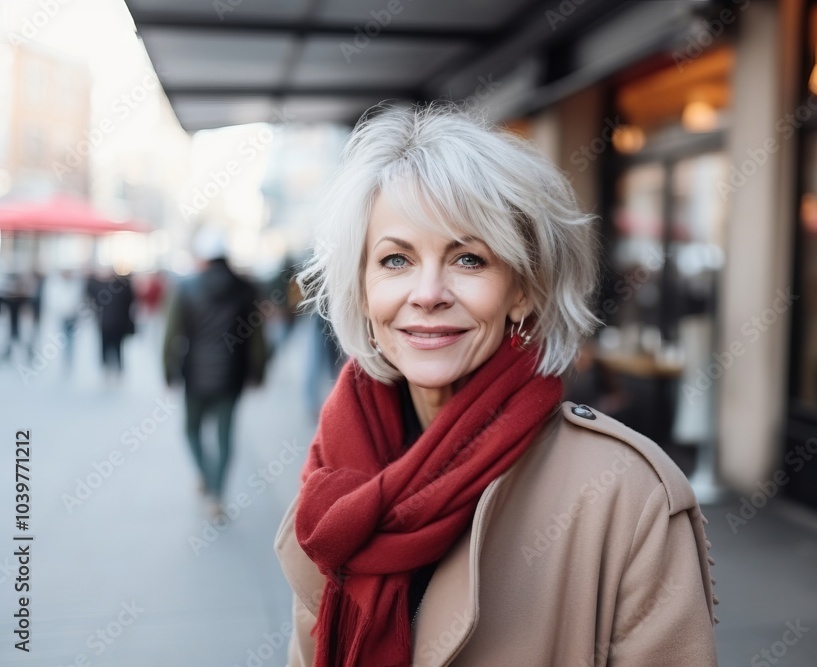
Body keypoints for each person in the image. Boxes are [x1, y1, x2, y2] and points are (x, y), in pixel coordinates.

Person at [274, 105, 718, 666]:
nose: (429, 292)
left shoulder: (628, 496)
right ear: (362, 291)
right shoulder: (336, 473)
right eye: (395, 260)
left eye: (468, 258)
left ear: (523, 290)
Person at [163, 228, 267, 514]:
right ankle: (217, 495)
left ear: (203, 258)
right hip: (232, 376)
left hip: (194, 375)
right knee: (225, 435)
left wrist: (168, 370)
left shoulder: (185, 287)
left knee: (191, 430)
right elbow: (258, 336)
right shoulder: (247, 289)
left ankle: (206, 477)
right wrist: (259, 372)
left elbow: (171, 334)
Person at [86, 269, 135, 381]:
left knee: (111, 346)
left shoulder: (110, 288)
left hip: (110, 323)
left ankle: (110, 367)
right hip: (113, 323)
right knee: (114, 346)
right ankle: (114, 368)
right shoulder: (120, 288)